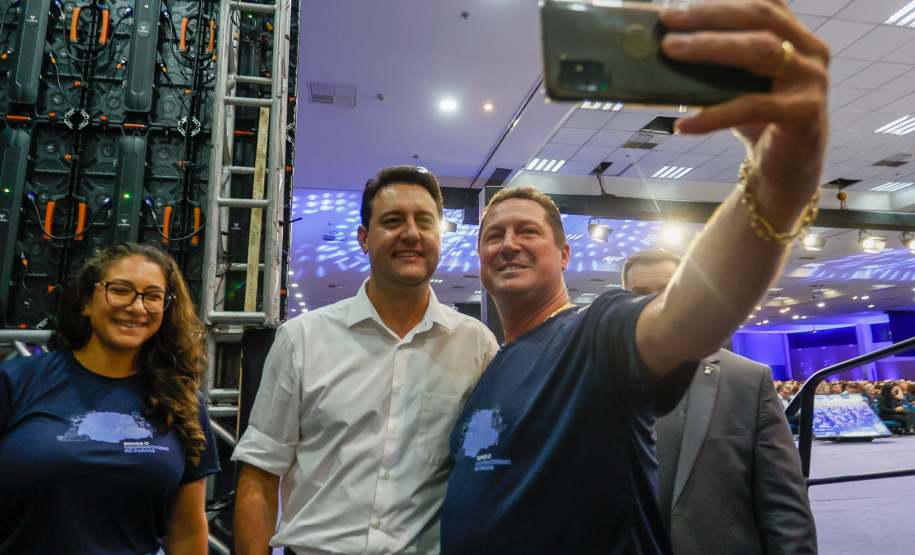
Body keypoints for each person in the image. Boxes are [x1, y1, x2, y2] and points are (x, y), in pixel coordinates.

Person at [440, 1, 829, 552]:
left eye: (527, 231)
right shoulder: (491, 367)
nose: (507, 244)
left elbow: (688, 319)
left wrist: (783, 174)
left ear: (565, 253)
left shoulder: (595, 335)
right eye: (492, 236)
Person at [231, 166, 499, 554]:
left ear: (439, 237)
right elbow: (259, 474)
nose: (410, 233)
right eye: (392, 221)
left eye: (424, 221)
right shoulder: (302, 339)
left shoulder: (476, 345)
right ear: (363, 238)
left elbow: (487, 470)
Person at [0, 243, 220, 554]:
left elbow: (187, 530)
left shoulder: (182, 402)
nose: (136, 307)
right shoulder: (17, 381)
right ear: (86, 302)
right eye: (120, 290)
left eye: (153, 296)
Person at [623, 249, 816, 555]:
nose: (654, 303)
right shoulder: (598, 379)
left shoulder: (747, 380)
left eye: (668, 291)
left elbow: (784, 506)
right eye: (640, 294)